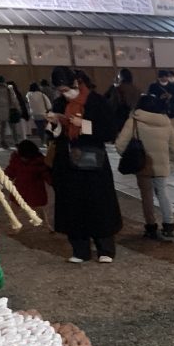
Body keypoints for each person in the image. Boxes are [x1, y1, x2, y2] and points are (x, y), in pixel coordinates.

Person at [45, 67, 121, 263]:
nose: (64, 94)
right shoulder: (59, 103)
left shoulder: (96, 101)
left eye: (66, 89)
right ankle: (80, 249)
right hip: (67, 163)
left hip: (92, 160)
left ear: (77, 84)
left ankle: (105, 248)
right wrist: (54, 124)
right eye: (60, 90)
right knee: (73, 205)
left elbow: (109, 131)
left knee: (98, 203)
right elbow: (52, 135)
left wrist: (84, 125)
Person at [115, 94, 174, 241]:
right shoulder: (165, 122)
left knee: (147, 197)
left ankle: (151, 227)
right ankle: (168, 225)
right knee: (163, 194)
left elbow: (120, 145)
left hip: (143, 165)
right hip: (162, 165)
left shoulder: (134, 121)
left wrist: (129, 156)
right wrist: (167, 154)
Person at [4, 139, 51, 228]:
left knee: (38, 209)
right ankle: (14, 226)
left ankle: (46, 225)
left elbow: (47, 175)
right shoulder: (16, 160)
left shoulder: (39, 163)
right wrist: (4, 178)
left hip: (34, 191)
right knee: (13, 209)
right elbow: (10, 171)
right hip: (20, 189)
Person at [105, 68, 140, 136]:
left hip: (121, 120)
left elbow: (112, 105)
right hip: (136, 118)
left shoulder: (117, 89)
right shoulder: (137, 90)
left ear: (120, 77)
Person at [0, 75, 20, 149]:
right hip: (10, 109)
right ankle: (16, 142)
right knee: (13, 128)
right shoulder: (8, 88)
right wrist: (17, 108)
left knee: (2, 127)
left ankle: (3, 141)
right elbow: (13, 99)